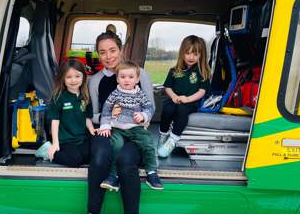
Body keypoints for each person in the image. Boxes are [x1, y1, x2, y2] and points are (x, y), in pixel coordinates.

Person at [88, 28, 155, 214]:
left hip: (134, 129)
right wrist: (108, 116)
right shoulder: (95, 81)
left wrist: (143, 119)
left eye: (112, 50)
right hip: (107, 129)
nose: (108, 56)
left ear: (121, 50)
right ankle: (93, 211)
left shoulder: (140, 74)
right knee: (100, 157)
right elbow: (93, 114)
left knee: (126, 160)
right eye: (102, 52)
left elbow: (151, 107)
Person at [98, 61, 163, 191]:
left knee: (148, 144)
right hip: (118, 128)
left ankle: (151, 172)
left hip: (136, 127)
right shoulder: (114, 94)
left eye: (131, 77)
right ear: (117, 79)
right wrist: (105, 125)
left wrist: (143, 115)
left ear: (137, 79)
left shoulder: (140, 94)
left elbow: (149, 108)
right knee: (116, 146)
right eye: (122, 77)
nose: (126, 80)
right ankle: (113, 176)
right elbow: (106, 111)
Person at [157, 35, 211, 158]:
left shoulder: (203, 72)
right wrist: (174, 96)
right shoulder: (174, 70)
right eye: (188, 53)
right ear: (182, 53)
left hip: (191, 101)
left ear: (200, 55)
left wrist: (187, 99)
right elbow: (168, 87)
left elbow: (202, 91)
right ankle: (163, 136)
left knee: (182, 110)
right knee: (168, 108)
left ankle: (172, 140)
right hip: (174, 98)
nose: (191, 57)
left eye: (195, 54)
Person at [35, 59, 95, 167]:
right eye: (69, 77)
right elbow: (55, 121)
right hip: (65, 140)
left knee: (91, 157)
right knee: (75, 161)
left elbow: (87, 118)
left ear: (83, 77)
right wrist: (55, 143)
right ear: (63, 79)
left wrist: (92, 130)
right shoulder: (58, 97)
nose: (73, 80)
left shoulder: (85, 97)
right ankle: (47, 151)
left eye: (77, 76)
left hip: (81, 138)